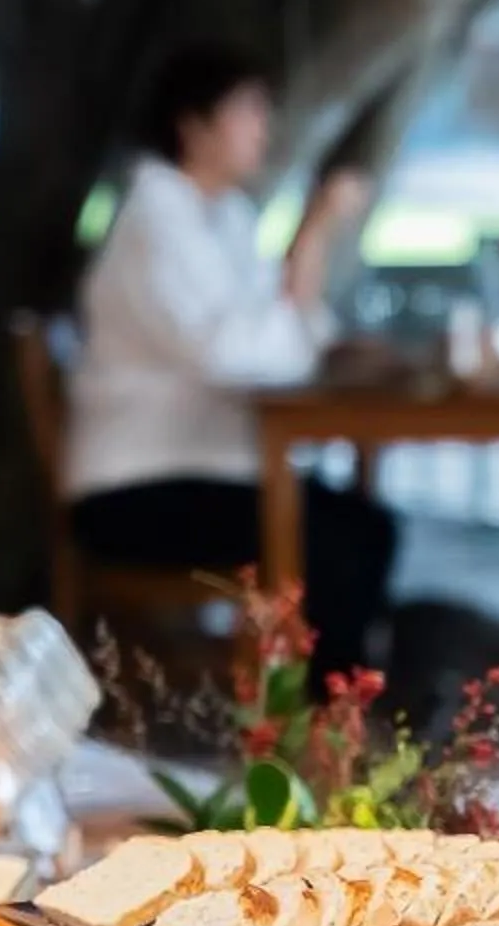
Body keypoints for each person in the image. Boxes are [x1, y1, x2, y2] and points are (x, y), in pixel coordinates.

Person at [64, 43, 396, 690]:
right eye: (246, 111)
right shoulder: (154, 225)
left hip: (207, 471)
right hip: (139, 486)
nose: (262, 129)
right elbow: (232, 356)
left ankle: (336, 707)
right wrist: (313, 232)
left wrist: (310, 258)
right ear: (193, 126)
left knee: (366, 527)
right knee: (333, 539)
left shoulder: (226, 218)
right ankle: (318, 719)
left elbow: (287, 328)